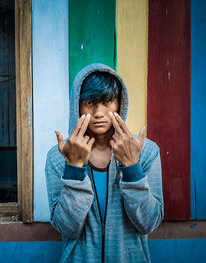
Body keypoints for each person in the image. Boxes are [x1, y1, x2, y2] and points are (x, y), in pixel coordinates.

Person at [45, 63, 163, 263]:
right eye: (90, 102)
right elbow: (67, 227)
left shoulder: (145, 152)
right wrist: (74, 168)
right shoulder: (59, 156)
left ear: (119, 104)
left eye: (107, 101)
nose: (98, 112)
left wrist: (132, 167)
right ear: (77, 105)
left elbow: (149, 223)